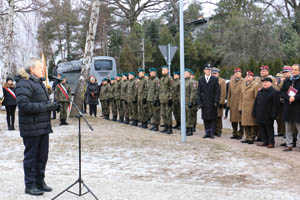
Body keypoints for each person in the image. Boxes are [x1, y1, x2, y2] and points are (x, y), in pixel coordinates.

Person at [15, 57, 58, 196]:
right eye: (40, 67)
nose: (43, 70)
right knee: (31, 157)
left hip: (42, 126)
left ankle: (40, 181)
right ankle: (30, 185)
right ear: (32, 69)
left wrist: (52, 106)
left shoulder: (38, 82)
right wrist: (46, 107)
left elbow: (40, 101)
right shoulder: (24, 82)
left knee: (42, 157)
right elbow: (23, 105)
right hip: (31, 127)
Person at [253, 77, 280, 148]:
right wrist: (254, 112)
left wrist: (274, 114)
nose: (264, 83)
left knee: (269, 129)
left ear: (271, 83)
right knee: (262, 128)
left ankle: (271, 142)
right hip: (260, 113)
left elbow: (276, 105)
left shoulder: (275, 92)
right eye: (263, 82)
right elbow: (256, 103)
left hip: (269, 114)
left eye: (266, 82)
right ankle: (265, 141)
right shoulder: (260, 91)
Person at [197, 64, 220, 139]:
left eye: (209, 69)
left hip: (212, 101)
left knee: (212, 118)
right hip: (204, 102)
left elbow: (217, 91)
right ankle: (207, 132)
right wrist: (199, 102)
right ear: (204, 71)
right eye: (207, 69)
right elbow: (198, 92)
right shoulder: (201, 79)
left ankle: (212, 132)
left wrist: (216, 101)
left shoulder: (214, 79)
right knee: (205, 118)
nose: (208, 71)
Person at [281, 64, 300, 152]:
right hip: (288, 107)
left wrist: (295, 98)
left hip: (297, 107)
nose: (293, 71)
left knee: (299, 128)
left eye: (295, 69)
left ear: (299, 71)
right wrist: (288, 97)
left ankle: (299, 145)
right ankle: (289, 145)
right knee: (288, 128)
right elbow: (282, 92)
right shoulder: (287, 80)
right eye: (292, 69)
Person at [239, 71, 259, 144]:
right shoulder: (243, 85)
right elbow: (241, 97)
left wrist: (256, 107)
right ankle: (247, 136)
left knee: (252, 123)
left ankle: (252, 137)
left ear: (252, 77)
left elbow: (257, 97)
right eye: (247, 76)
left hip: (251, 106)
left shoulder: (255, 85)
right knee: (245, 123)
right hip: (244, 106)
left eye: (250, 76)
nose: (248, 77)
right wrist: (240, 107)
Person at [228, 68, 244, 139]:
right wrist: (228, 103)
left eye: (238, 72)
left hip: (240, 103)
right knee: (233, 119)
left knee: (240, 120)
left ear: (241, 73)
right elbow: (229, 94)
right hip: (233, 103)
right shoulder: (231, 81)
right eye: (235, 73)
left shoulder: (244, 81)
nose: (236, 74)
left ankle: (240, 133)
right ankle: (234, 133)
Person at [212, 67, 226, 137]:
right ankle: (214, 130)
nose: (214, 74)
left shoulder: (221, 81)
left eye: (215, 73)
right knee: (213, 117)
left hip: (219, 102)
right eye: (213, 73)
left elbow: (223, 93)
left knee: (218, 117)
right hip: (212, 102)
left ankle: (219, 131)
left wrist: (221, 102)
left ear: (218, 74)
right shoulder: (211, 80)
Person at [159, 66, 173, 134]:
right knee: (163, 114)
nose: (163, 71)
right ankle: (166, 126)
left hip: (167, 99)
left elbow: (171, 89)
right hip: (162, 99)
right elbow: (160, 90)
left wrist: (170, 98)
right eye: (162, 70)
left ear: (167, 71)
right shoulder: (162, 79)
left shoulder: (169, 78)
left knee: (168, 114)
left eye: (164, 70)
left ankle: (170, 128)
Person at [184, 69, 198, 136]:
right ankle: (186, 129)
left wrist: (191, 101)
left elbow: (193, 92)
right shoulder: (184, 81)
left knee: (190, 116)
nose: (184, 74)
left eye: (185, 73)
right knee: (185, 116)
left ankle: (190, 130)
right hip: (184, 101)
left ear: (189, 74)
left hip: (189, 102)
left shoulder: (192, 82)